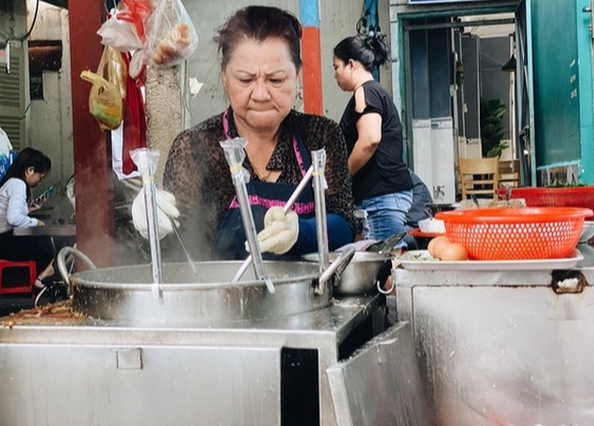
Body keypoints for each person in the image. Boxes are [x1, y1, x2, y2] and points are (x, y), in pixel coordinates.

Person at [133, 6, 355, 260]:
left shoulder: (321, 135)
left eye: (276, 80)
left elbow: (345, 225)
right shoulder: (194, 147)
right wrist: (153, 226)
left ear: (297, 75)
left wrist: (301, 232)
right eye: (245, 80)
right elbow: (181, 250)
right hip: (222, 296)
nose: (260, 94)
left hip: (309, 296)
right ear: (224, 75)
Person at [333, 33, 414, 250]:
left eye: (336, 67)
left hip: (380, 197)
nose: (335, 75)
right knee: (389, 263)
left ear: (351, 64)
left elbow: (370, 139)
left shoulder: (365, 92)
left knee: (386, 268)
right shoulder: (375, 92)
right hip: (384, 196)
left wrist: (342, 177)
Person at [0, 147, 55, 289]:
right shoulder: (18, 184)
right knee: (54, 244)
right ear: (30, 170)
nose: (39, 182)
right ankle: (43, 278)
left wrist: (29, 209)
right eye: (40, 177)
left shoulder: (10, 182)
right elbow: (13, 218)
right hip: (5, 243)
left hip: (4, 240)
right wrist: (36, 222)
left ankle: (42, 276)